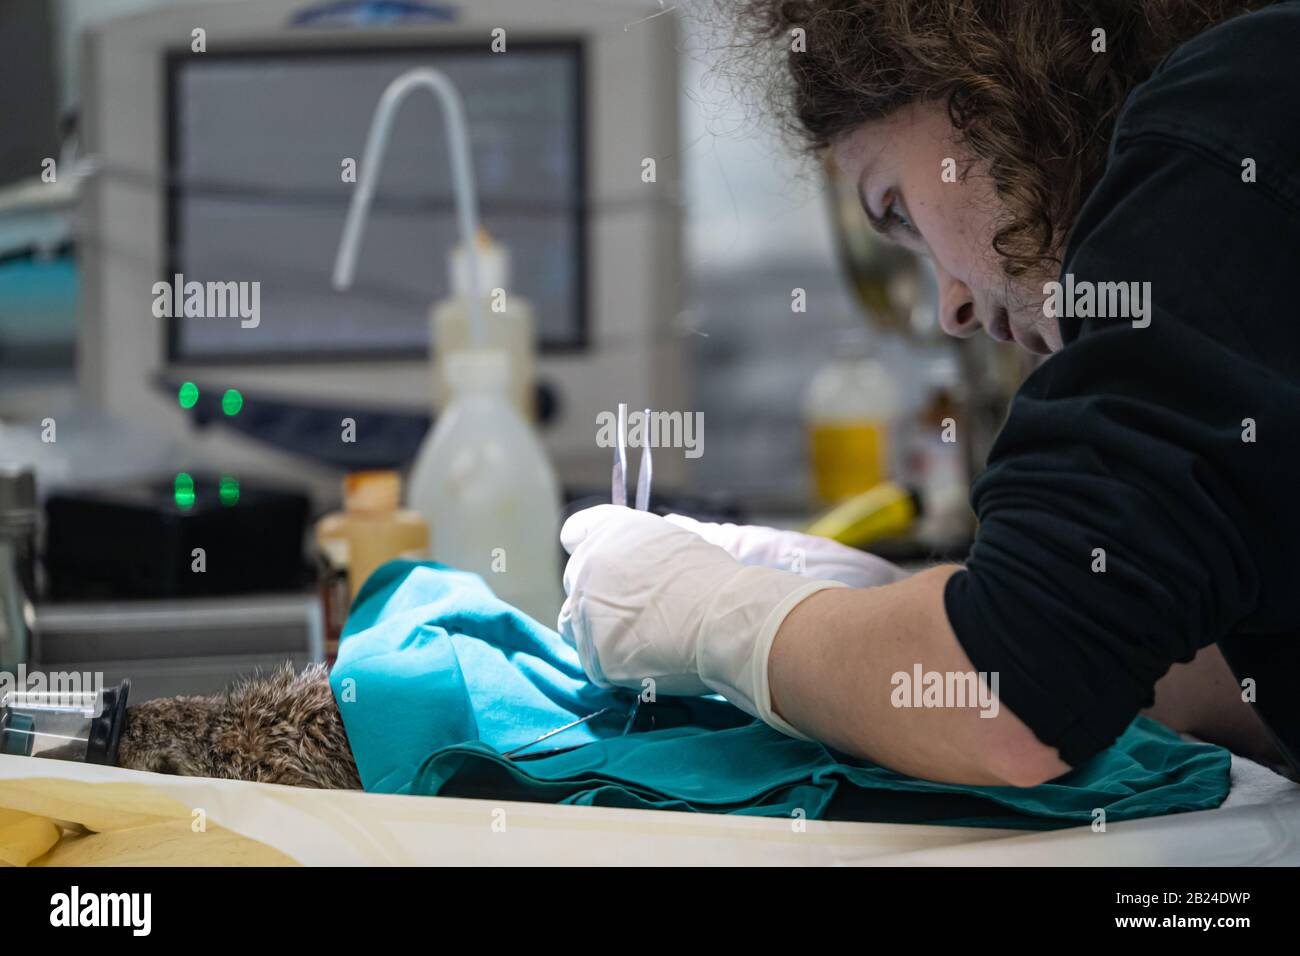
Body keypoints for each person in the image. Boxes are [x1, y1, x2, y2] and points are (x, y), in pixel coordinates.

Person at [558, 0, 1300, 786]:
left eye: (899, 208)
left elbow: (1005, 705)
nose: (950, 308)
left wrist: (718, 620)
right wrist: (873, 621)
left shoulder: (1242, 103)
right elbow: (1219, 673)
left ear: (986, 79)